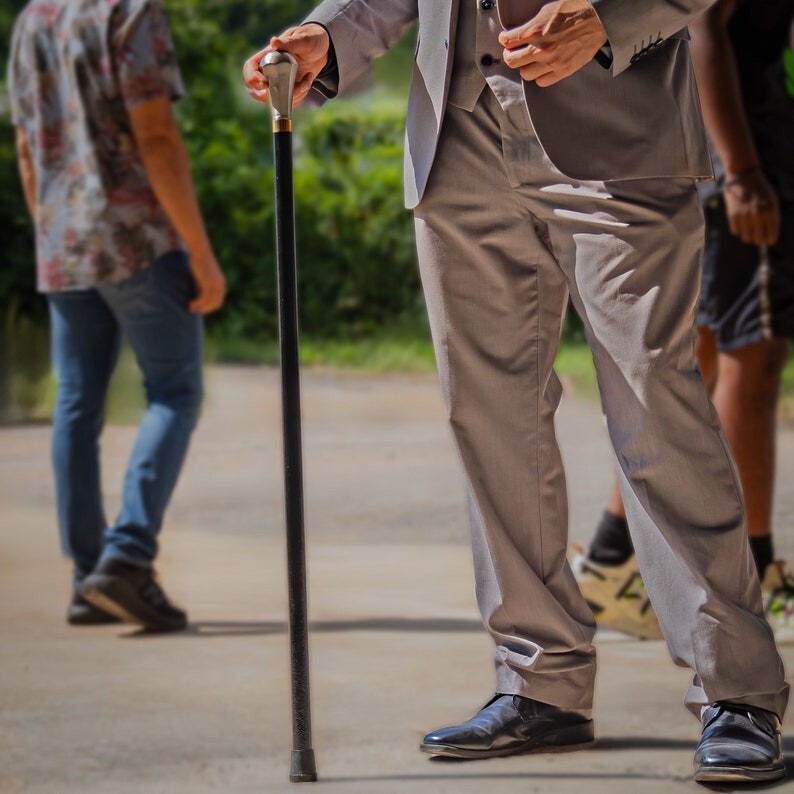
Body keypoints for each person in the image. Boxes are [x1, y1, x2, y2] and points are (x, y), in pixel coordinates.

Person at [243, 0, 788, 783]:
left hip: (616, 126)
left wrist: (609, 16)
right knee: (489, 415)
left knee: (654, 403)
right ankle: (541, 681)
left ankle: (736, 688)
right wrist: (329, 37)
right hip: (456, 136)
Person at [573, 0, 794, 644]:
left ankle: (613, 562)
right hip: (739, 157)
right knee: (750, 362)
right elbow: (703, 24)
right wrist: (743, 173)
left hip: (693, 147)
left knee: (684, 362)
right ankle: (750, 573)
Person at [8, 0, 226, 632]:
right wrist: (201, 255)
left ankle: (87, 580)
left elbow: (27, 145)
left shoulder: (33, 20)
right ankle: (126, 558)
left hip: (63, 244)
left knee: (76, 406)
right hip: (135, 240)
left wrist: (53, 232)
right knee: (174, 393)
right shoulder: (128, 12)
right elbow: (154, 136)